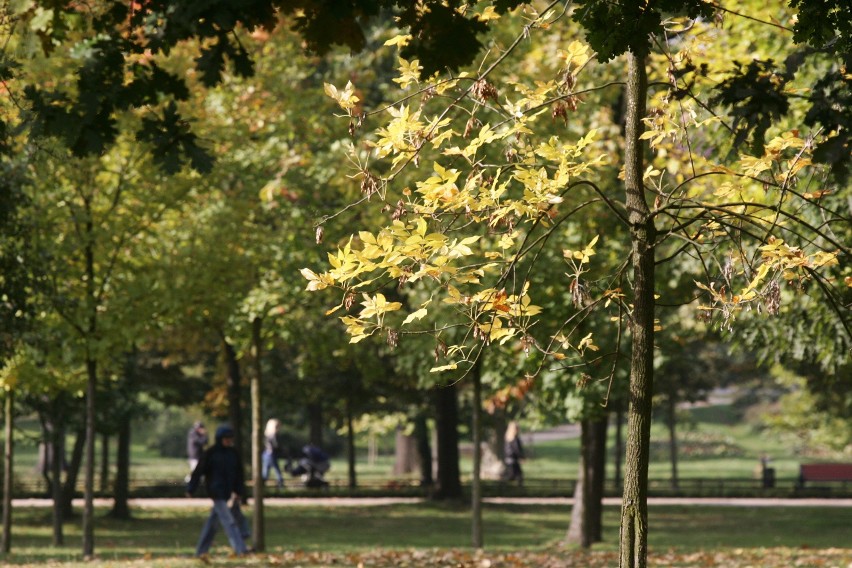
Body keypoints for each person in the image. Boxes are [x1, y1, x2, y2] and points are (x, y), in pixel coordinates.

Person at [186, 424, 250, 557]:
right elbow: (198, 472)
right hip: (216, 492)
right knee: (229, 521)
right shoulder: (211, 453)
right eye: (226, 438)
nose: (229, 441)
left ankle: (201, 551)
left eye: (230, 438)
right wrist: (191, 488)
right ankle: (240, 549)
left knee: (212, 524)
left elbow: (239, 474)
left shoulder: (233, 454)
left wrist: (239, 491)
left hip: (228, 491)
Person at [262, 418, 285, 488]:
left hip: (266, 454)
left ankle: (262, 485)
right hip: (271, 454)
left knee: (265, 471)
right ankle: (281, 485)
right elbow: (276, 445)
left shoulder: (267, 434)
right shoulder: (273, 435)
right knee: (276, 470)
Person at [503, 421, 525, 486]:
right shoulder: (515, 438)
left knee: (514, 476)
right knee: (517, 476)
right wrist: (521, 457)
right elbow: (517, 449)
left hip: (508, 459)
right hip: (513, 460)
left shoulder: (507, 437)